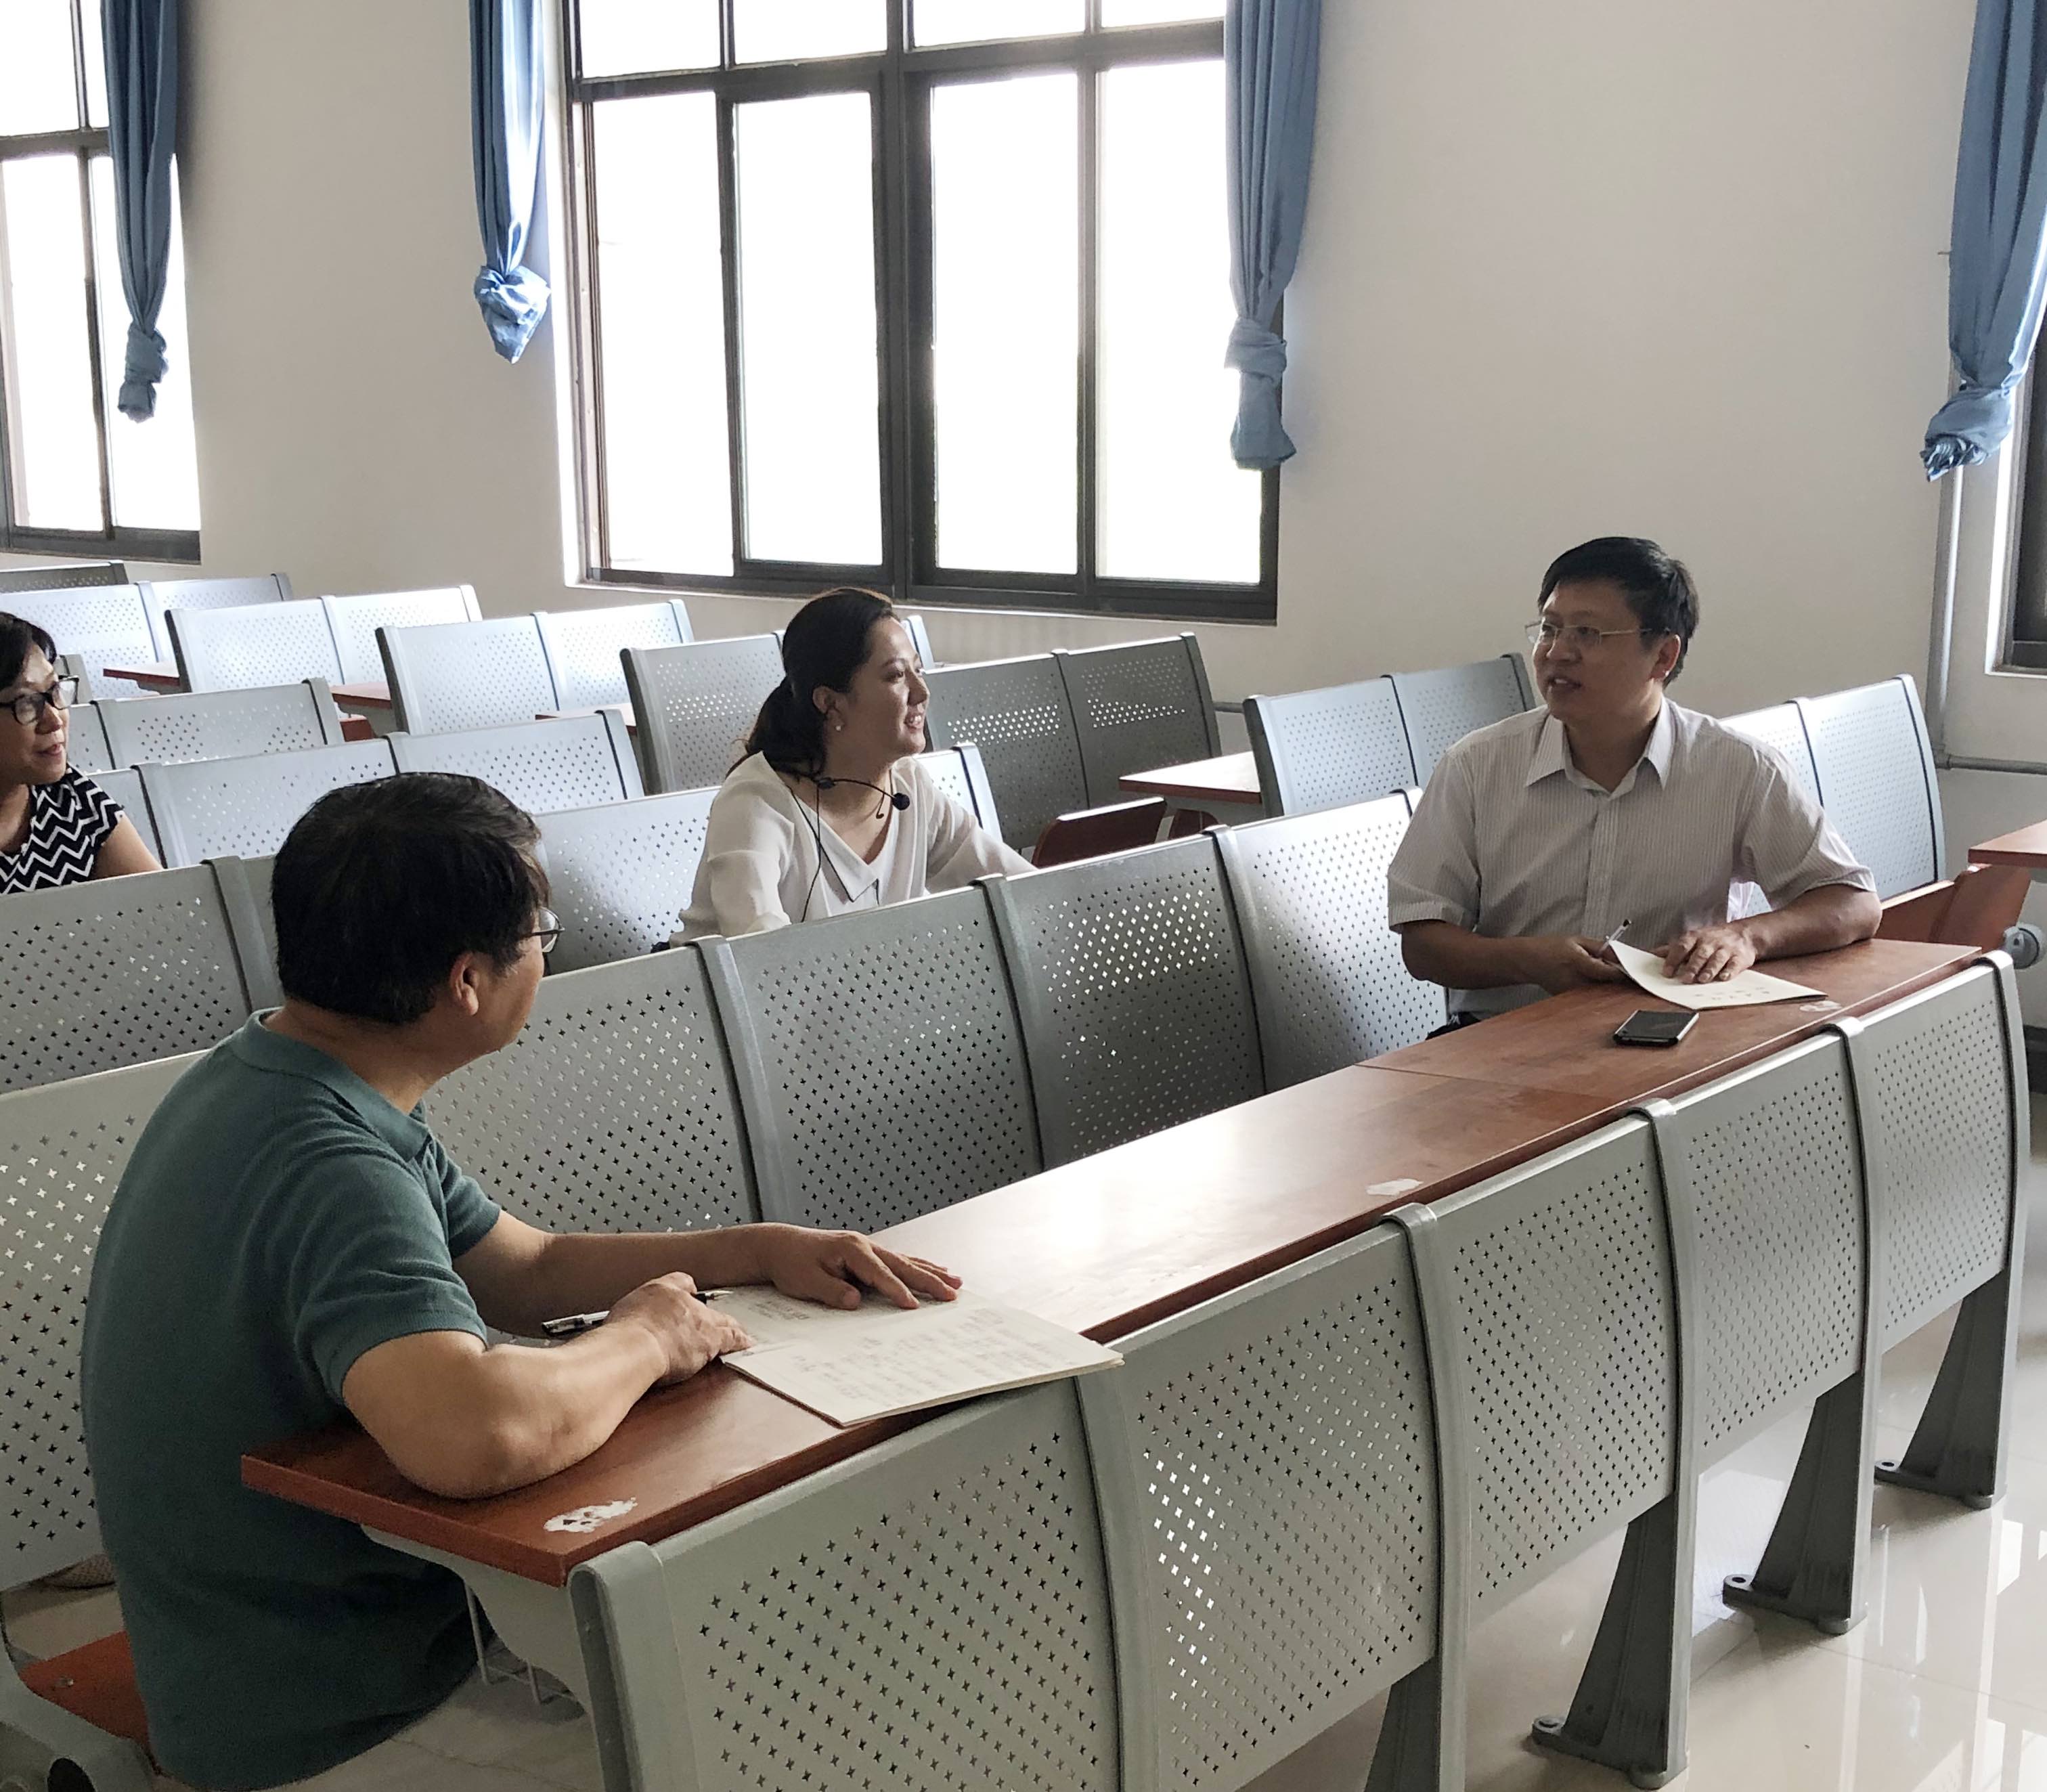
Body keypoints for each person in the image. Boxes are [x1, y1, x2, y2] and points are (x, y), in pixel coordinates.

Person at [81, 773, 961, 1791]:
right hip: (332, 1714)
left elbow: (524, 1266)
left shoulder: (280, 1073)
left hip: (326, 1649)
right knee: (763, 1747)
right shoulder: (331, 1164)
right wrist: (648, 1337)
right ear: (466, 981)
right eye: (538, 933)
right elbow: (476, 1432)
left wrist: (757, 1249)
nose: (546, 952)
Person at [1388, 536, 1879, 1020]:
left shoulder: (1738, 768)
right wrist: (1529, 960)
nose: (1557, 652)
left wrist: (1746, 937)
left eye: (1588, 634)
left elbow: (1853, 903)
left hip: (1670, 1035)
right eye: (1550, 629)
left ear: (1663, 656)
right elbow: (1423, 944)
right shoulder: (1476, 766)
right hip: (1499, 1040)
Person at [677, 587, 1032, 940]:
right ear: (830, 703)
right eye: (896, 676)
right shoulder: (755, 805)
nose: (922, 692)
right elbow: (758, 949)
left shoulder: (909, 786)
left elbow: (1023, 888)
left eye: (918, 670)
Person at [0, 611, 159, 892]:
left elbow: (169, 904)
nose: (54, 719)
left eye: (54, 690)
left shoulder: (70, 796)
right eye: (26, 702)